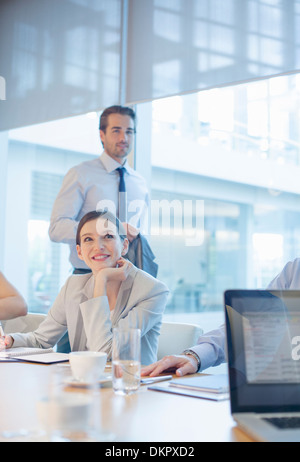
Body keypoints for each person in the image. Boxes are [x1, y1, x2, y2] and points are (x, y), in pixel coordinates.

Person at [0, 211, 169, 365]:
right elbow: (40, 340)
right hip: (82, 383)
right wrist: (10, 340)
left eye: (108, 236)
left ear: (124, 246)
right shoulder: (73, 286)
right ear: (79, 252)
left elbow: (103, 352)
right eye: (89, 239)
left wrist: (101, 279)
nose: (98, 246)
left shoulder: (152, 291)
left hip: (129, 389)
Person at [49, 105, 150, 274]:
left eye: (129, 131)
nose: (124, 138)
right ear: (102, 135)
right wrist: (107, 229)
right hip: (87, 276)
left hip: (129, 277)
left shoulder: (139, 183)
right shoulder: (81, 174)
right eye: (116, 131)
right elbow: (56, 229)